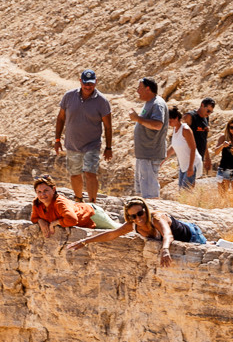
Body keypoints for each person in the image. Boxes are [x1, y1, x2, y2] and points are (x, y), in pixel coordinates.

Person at [65, 196, 207, 267]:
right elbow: (112, 234)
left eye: (140, 213)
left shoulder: (156, 218)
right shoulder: (133, 225)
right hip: (179, 242)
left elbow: (168, 234)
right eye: (133, 216)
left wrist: (165, 249)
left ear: (145, 209)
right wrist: (85, 241)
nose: (138, 218)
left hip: (192, 236)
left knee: (207, 252)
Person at [53, 70, 113, 203]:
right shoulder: (69, 96)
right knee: (75, 174)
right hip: (72, 143)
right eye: (85, 83)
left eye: (91, 84)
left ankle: (92, 204)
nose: (88, 87)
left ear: (96, 82)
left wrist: (109, 147)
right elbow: (60, 118)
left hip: (92, 144)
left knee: (90, 173)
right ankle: (79, 200)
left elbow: (108, 126)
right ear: (80, 82)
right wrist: (57, 140)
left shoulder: (102, 101)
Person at [30, 175, 117, 235]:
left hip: (92, 214)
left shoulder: (60, 202)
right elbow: (34, 218)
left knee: (117, 229)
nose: (42, 195)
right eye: (39, 192)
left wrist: (56, 222)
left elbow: (72, 220)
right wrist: (40, 221)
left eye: (46, 190)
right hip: (80, 210)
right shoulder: (37, 203)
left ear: (53, 189)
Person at [129, 77, 168, 199]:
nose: (137, 91)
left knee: (150, 194)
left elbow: (157, 125)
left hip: (150, 154)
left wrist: (137, 119)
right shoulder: (150, 103)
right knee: (142, 192)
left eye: (139, 88)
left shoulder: (157, 104)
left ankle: (153, 215)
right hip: (144, 154)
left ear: (148, 89)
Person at [168, 106, 201, 190]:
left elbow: (193, 148)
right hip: (183, 166)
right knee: (182, 191)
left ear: (176, 118)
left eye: (169, 120)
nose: (168, 123)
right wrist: (162, 160)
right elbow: (173, 147)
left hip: (192, 164)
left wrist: (190, 167)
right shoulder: (175, 130)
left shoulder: (185, 129)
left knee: (185, 191)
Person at [183, 98, 216, 175]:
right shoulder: (190, 116)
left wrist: (207, 157)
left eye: (211, 112)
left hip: (199, 155)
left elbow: (204, 139)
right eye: (208, 111)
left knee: (192, 181)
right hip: (189, 156)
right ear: (202, 105)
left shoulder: (206, 118)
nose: (209, 114)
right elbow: (181, 134)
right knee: (187, 182)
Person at [213, 117, 233, 192]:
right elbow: (216, 152)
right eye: (231, 127)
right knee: (222, 195)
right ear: (228, 128)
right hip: (224, 169)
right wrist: (222, 146)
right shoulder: (223, 138)